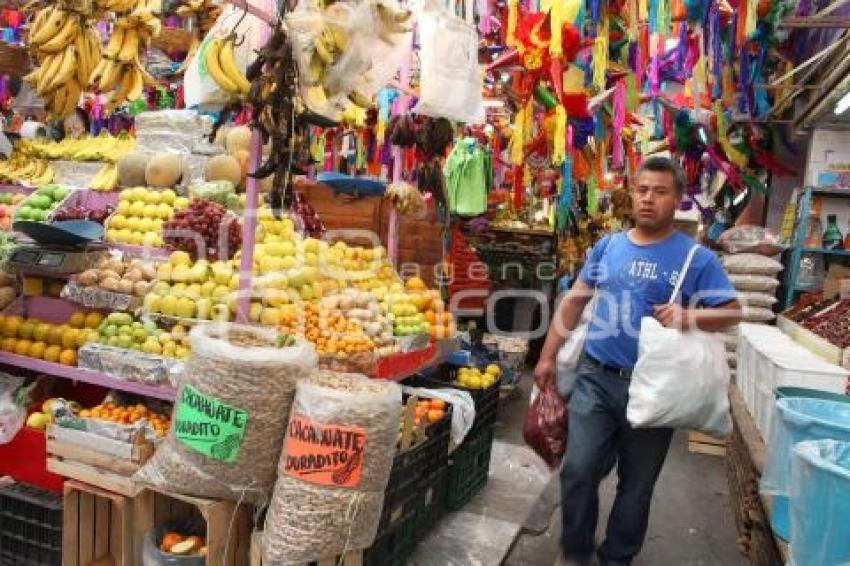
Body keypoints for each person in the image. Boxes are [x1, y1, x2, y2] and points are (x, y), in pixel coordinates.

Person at [534, 156, 742, 566]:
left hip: (655, 388)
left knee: (637, 485)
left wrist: (689, 317)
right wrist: (547, 356)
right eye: (642, 190)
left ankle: (617, 557)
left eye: (660, 192)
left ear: (679, 199)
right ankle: (575, 552)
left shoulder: (695, 259)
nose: (648, 199)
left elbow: (733, 311)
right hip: (596, 376)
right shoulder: (609, 246)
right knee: (578, 468)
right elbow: (575, 300)